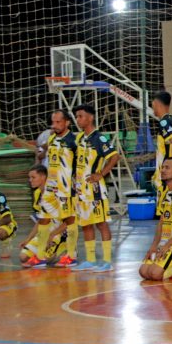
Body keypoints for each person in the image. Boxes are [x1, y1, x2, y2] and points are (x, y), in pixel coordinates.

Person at [70, 104, 119, 272]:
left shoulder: (100, 138)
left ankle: (106, 261)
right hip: (81, 190)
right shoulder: (79, 139)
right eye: (76, 116)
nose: (78, 119)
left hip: (95, 189)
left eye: (81, 116)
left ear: (90, 118)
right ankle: (90, 260)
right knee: (85, 224)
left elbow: (114, 157)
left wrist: (101, 174)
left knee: (101, 223)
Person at [40, 110, 79, 267]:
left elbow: (81, 162)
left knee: (69, 220)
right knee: (45, 217)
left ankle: (71, 255)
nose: (54, 125)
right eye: (53, 122)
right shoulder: (51, 139)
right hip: (52, 186)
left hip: (67, 186)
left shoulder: (74, 140)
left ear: (67, 122)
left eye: (58, 122)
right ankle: (41, 253)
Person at [19, 165, 68, 265]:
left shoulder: (57, 193)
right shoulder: (37, 194)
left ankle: (64, 247)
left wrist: (52, 234)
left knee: (45, 260)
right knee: (23, 257)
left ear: (43, 177)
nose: (30, 180)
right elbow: (41, 221)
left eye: (33, 177)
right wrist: (28, 239)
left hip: (60, 232)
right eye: (29, 178)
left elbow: (70, 221)